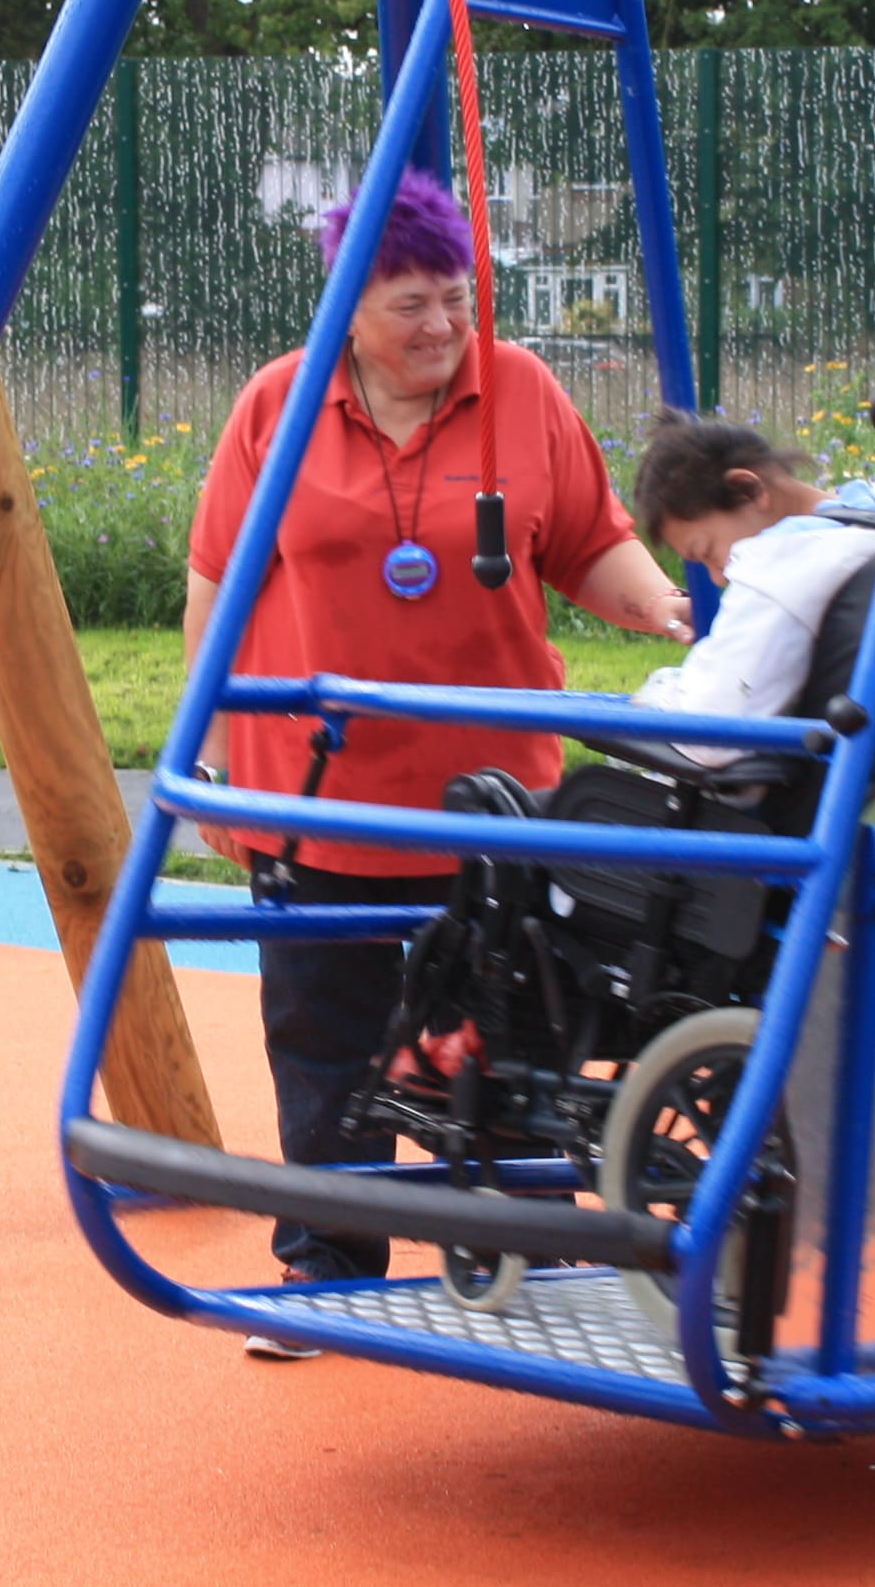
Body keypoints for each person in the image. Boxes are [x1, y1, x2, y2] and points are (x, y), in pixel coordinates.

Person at [185, 166, 689, 1347]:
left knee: (515, 1022)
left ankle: (532, 1257)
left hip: (492, 793)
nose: (444, 326)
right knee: (325, 1032)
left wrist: (671, 612)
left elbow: (588, 545)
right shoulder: (279, 403)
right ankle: (326, 1269)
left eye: (457, 298)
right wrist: (203, 751)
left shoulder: (519, 391)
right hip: (318, 791)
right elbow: (218, 582)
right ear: (349, 305)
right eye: (411, 302)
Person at [623, 408, 875, 749]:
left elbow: (711, 733)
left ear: (748, 490)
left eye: (707, 551)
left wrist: (658, 694)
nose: (718, 577)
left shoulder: (778, 566)